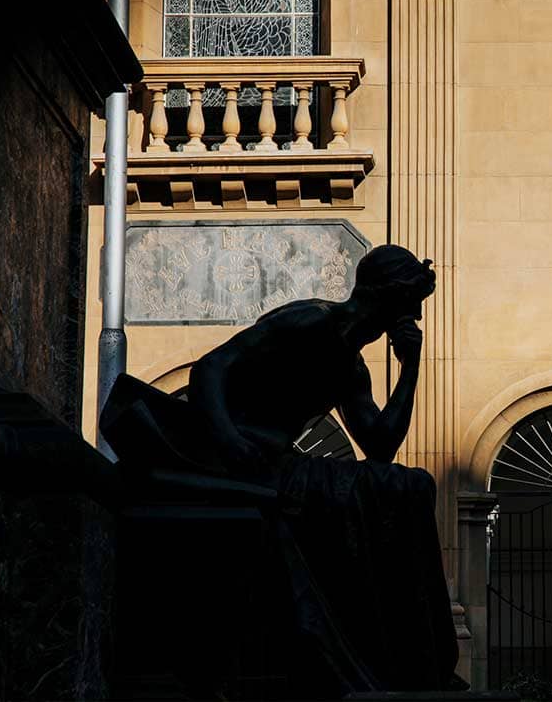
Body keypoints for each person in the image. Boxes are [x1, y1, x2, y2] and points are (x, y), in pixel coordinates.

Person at [103, 244, 459, 696]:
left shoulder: (351, 368)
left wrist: (410, 368)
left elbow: (380, 445)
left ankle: (417, 659)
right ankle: (409, 661)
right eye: (413, 303)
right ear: (388, 295)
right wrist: (230, 440)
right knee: (397, 489)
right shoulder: (312, 321)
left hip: (281, 466)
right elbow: (212, 367)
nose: (416, 316)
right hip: (238, 459)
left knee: (409, 485)